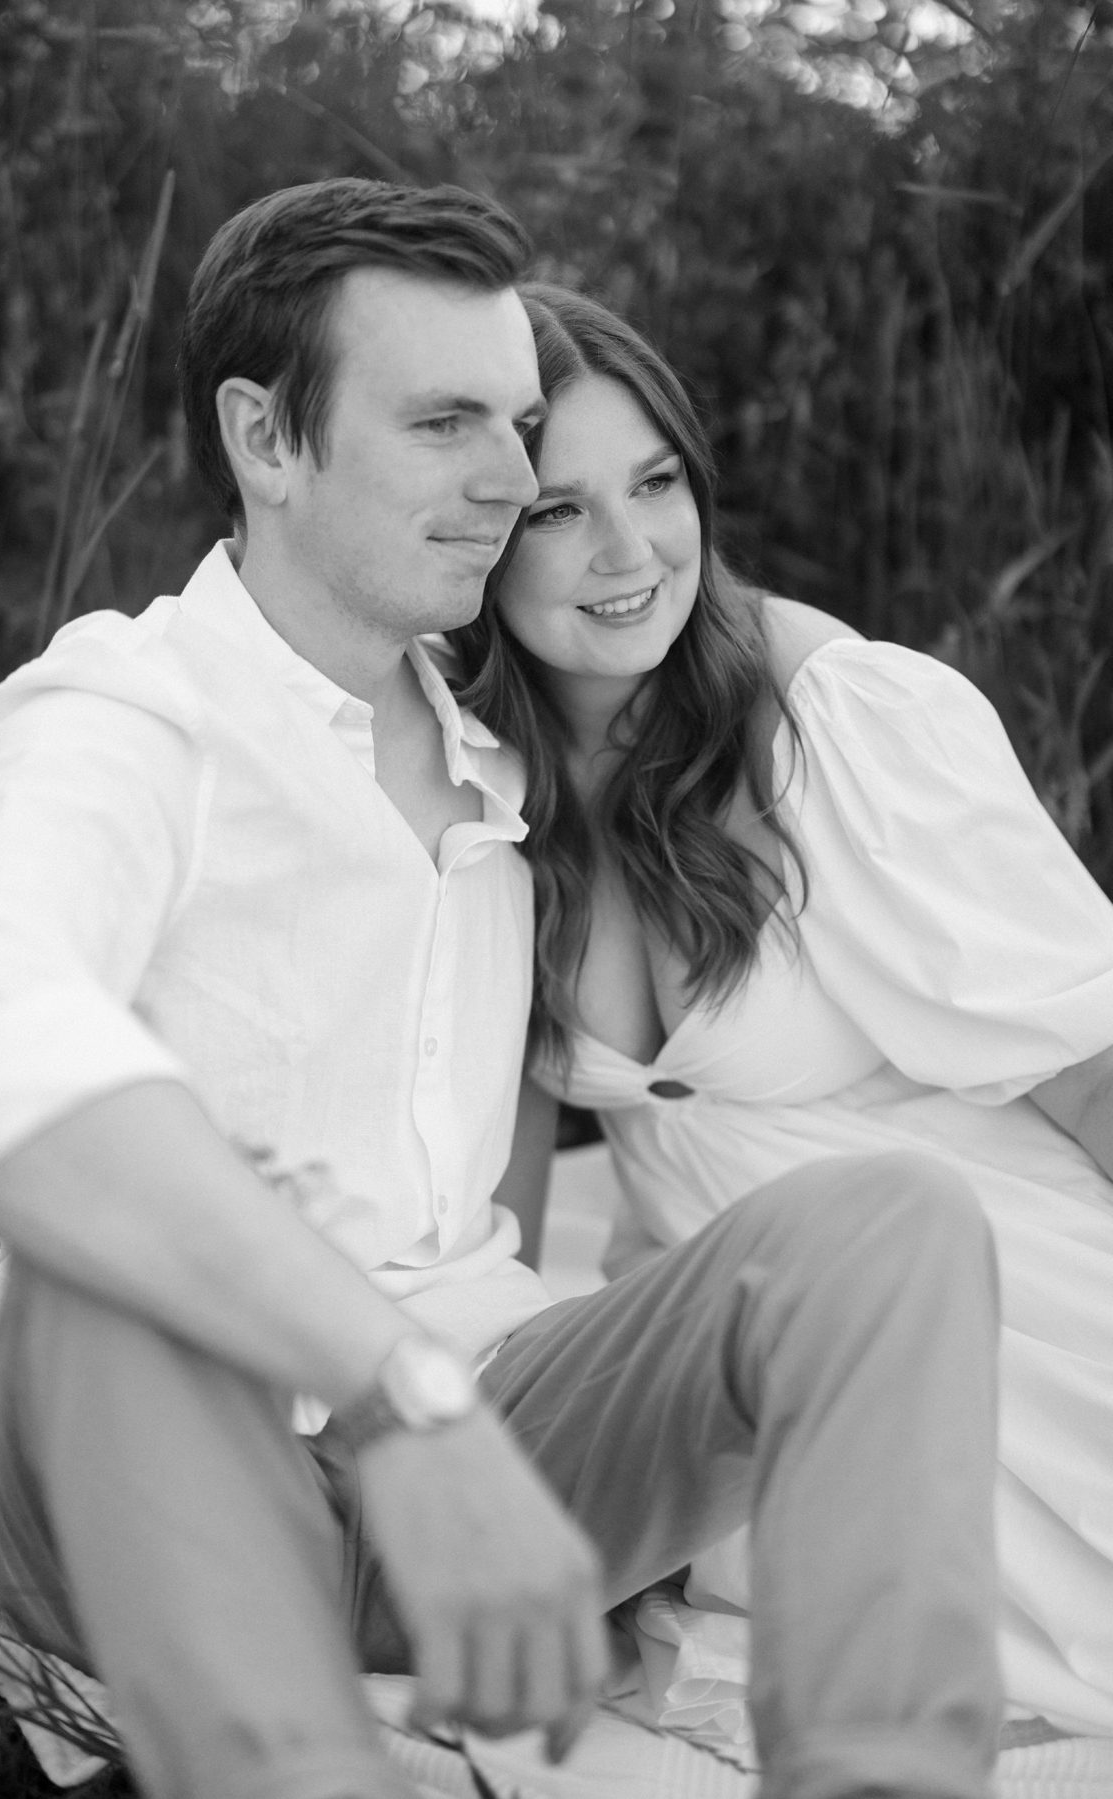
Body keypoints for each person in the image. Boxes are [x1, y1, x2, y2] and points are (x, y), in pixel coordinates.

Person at [0, 183, 1004, 1799]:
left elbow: (664, 606)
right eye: (441, 424)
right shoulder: (128, 712)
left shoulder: (502, 751)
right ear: (265, 440)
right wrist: (394, 1390)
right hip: (161, 1473)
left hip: (489, 1457)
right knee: (131, 1258)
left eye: (515, 424)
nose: (507, 481)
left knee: (890, 1222)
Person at [451, 281, 1113, 1743]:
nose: (631, 552)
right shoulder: (470, 773)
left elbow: (1088, 1060)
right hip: (730, 1325)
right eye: (560, 510)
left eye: (658, 483)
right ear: (479, 531)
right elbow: (492, 1182)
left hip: (989, 1271)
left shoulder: (828, 716)